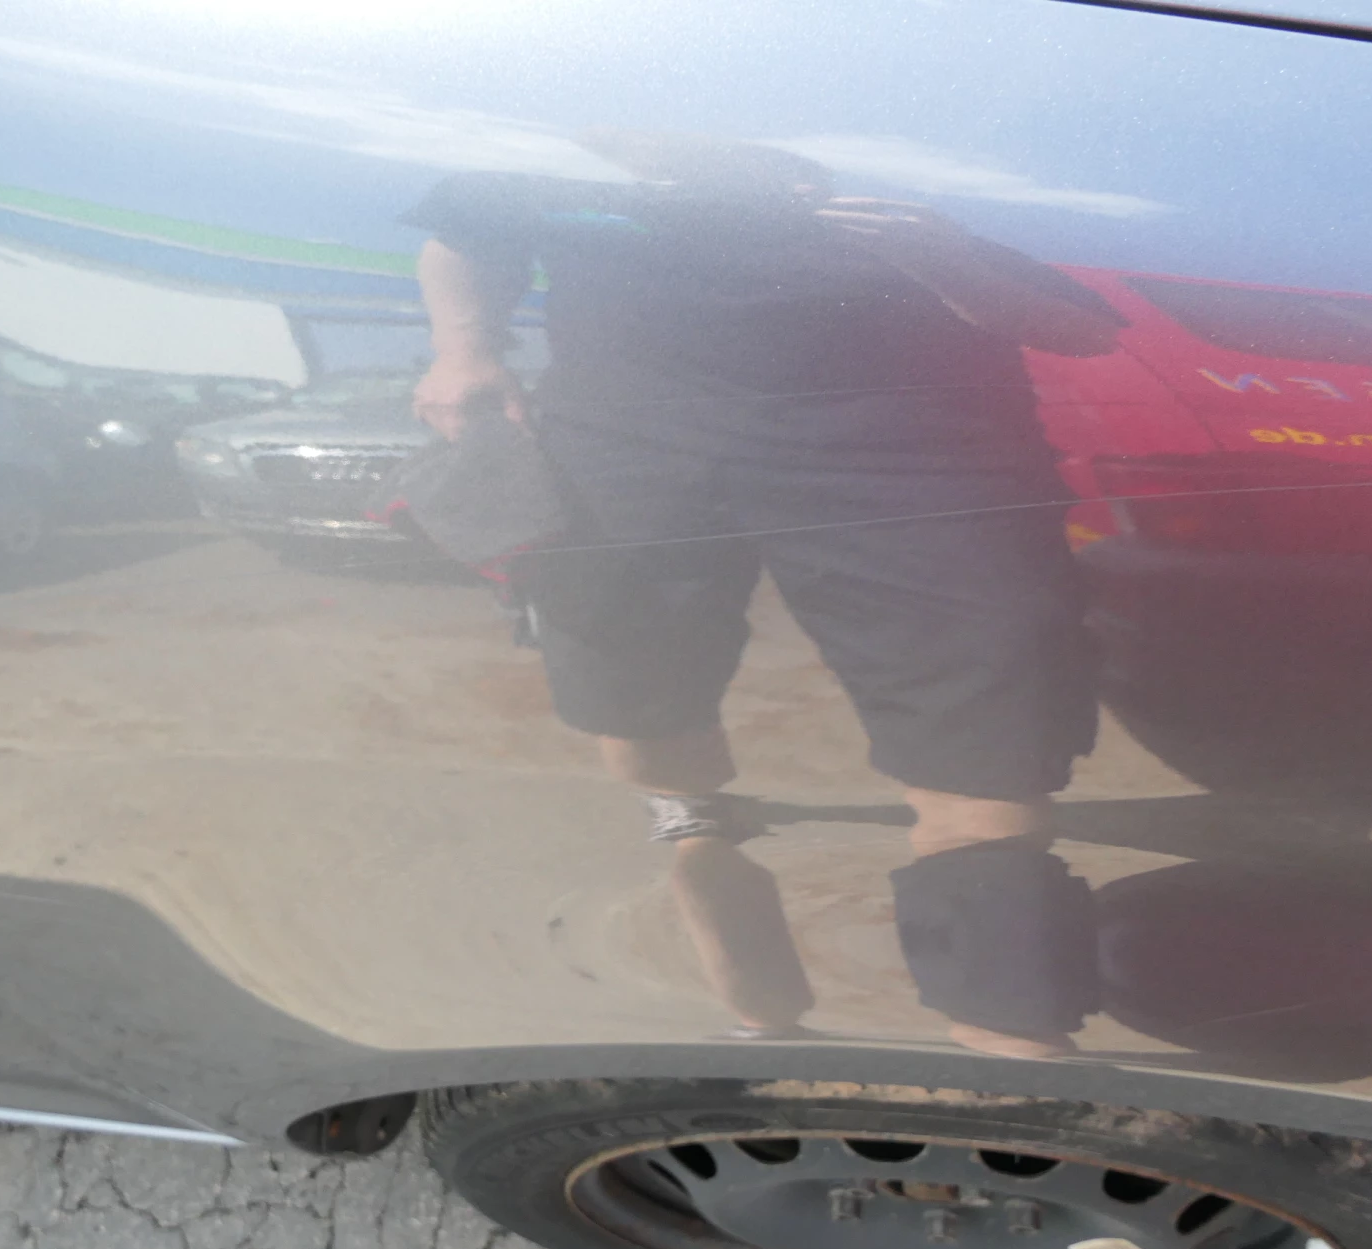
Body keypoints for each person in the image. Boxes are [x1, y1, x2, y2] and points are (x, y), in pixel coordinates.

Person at [405, 130, 1124, 1051]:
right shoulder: (584, 104)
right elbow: (467, 228)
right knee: (633, 704)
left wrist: (948, 262)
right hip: (625, 441)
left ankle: (1012, 1054)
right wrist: (463, 350)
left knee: (988, 760)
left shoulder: (925, 115)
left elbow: (1085, 328)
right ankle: (697, 831)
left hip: (918, 455)